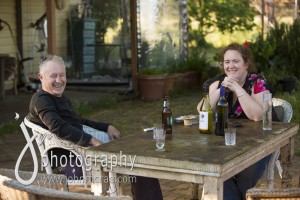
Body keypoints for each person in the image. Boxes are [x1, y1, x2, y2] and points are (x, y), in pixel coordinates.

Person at [28, 55, 163, 200]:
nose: (59, 80)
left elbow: (79, 122)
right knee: (137, 162)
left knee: (138, 160)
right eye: (53, 76)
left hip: (84, 155)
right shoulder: (41, 100)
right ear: (41, 77)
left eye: (62, 75)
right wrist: (92, 141)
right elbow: (58, 127)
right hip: (72, 165)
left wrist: (106, 127)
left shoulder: (59, 98)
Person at [198, 42, 278, 200]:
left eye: (236, 61)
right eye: (227, 62)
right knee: (218, 171)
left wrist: (237, 88)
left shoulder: (257, 82)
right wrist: (221, 88)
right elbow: (202, 110)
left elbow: (257, 116)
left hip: (259, 144)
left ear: (246, 63)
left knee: (239, 176)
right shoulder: (218, 81)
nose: (230, 66)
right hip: (229, 144)